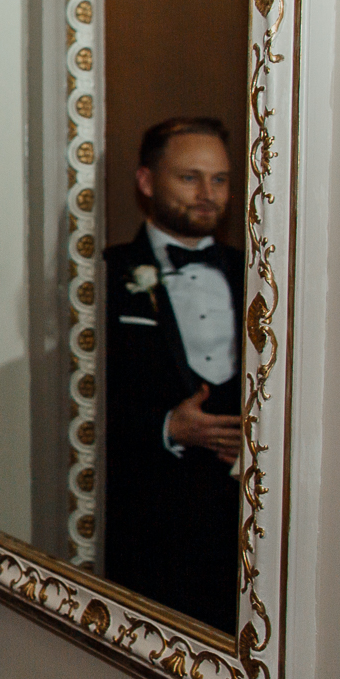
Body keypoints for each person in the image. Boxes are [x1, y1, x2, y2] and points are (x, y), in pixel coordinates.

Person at [103, 117, 242, 633]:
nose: (208, 194)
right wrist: (166, 427)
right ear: (146, 182)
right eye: (190, 177)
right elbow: (71, 402)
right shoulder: (104, 274)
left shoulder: (262, 274)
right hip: (145, 526)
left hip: (245, 534)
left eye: (221, 179)